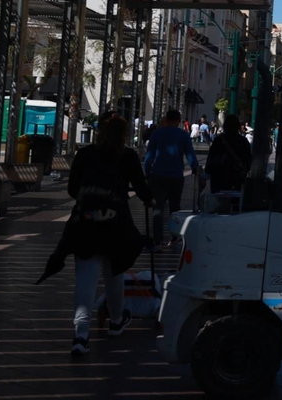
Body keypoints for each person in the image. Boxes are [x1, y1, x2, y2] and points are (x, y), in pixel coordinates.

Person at [38, 115, 152, 355]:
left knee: (85, 281)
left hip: (86, 223)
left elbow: (72, 189)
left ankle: (81, 335)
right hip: (116, 225)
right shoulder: (128, 156)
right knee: (115, 273)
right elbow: (141, 188)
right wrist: (151, 201)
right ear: (124, 133)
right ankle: (117, 320)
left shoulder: (85, 154)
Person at [143, 109, 198, 242]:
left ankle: (158, 239)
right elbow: (190, 154)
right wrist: (195, 169)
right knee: (175, 207)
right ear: (179, 120)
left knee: (158, 209)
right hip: (176, 176)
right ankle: (175, 235)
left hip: (158, 175)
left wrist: (147, 172)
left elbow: (149, 156)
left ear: (166, 119)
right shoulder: (184, 135)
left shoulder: (157, 134)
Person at [204, 115, 252, 194]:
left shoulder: (218, 140)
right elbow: (248, 159)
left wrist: (207, 173)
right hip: (237, 176)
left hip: (219, 176)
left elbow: (211, 158)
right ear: (237, 126)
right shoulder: (243, 141)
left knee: (219, 201)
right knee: (235, 202)